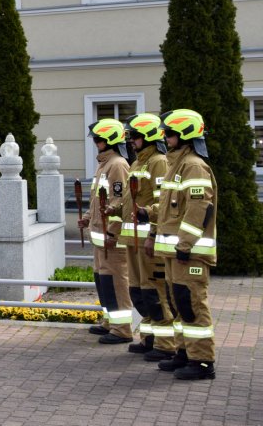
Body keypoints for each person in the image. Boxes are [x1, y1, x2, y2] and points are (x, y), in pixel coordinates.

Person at [153, 109, 218, 381]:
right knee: (178, 302)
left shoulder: (192, 165)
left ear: (184, 134)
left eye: (168, 133)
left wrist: (185, 244)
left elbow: (198, 207)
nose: (165, 138)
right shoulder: (176, 164)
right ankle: (184, 352)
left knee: (192, 305)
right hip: (174, 251)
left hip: (189, 253)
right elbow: (171, 208)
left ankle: (202, 361)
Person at [120, 114, 173, 358]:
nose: (131, 141)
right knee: (139, 293)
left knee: (154, 292)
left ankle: (165, 345)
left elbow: (163, 201)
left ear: (149, 137)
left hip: (148, 239)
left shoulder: (158, 162)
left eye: (136, 136)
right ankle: (149, 337)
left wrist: (151, 226)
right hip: (132, 240)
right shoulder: (136, 163)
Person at [78, 118, 134, 344]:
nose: (95, 143)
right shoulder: (104, 164)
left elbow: (119, 201)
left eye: (98, 139)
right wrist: (87, 219)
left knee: (116, 282)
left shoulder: (118, 164)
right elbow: (98, 200)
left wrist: (113, 232)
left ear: (108, 141)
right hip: (101, 239)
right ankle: (110, 321)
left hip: (112, 241)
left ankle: (122, 329)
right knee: (103, 281)